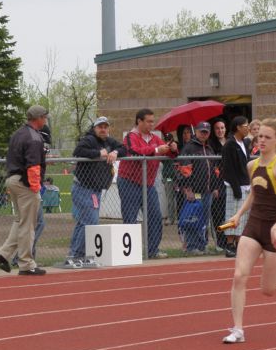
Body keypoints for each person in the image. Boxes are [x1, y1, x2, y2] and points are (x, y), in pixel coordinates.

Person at [221, 117, 276, 344]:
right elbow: (254, 194)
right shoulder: (252, 165)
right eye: (259, 136)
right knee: (239, 276)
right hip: (253, 226)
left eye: (267, 137)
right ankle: (238, 329)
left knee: (268, 289)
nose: (262, 140)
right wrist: (238, 215)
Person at [0, 105, 48, 275]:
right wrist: (36, 188)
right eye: (44, 117)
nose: (45, 120)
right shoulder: (34, 137)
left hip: (12, 179)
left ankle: (3, 254)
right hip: (25, 183)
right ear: (37, 118)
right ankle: (26, 263)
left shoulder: (19, 133)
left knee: (20, 221)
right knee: (28, 225)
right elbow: (32, 165)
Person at [64, 116, 126, 267]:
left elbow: (125, 148)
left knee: (83, 222)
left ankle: (74, 254)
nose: (103, 129)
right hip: (83, 188)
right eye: (100, 127)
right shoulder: (89, 139)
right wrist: (99, 154)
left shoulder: (109, 141)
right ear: (94, 128)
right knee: (90, 222)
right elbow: (78, 151)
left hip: (96, 190)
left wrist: (115, 152)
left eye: (105, 126)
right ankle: (77, 255)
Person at [117, 108, 178, 259]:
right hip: (129, 181)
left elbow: (169, 154)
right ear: (139, 121)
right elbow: (135, 151)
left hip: (148, 184)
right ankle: (129, 253)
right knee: (130, 218)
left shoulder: (155, 138)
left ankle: (152, 250)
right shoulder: (131, 136)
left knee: (155, 217)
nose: (152, 124)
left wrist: (173, 149)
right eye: (149, 121)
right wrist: (157, 149)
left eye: (153, 121)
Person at [178, 121, 219, 255]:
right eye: (202, 131)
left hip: (207, 191)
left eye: (206, 132)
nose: (204, 134)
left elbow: (214, 169)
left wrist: (215, 187)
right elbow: (184, 169)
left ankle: (202, 245)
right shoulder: (189, 148)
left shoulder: (209, 148)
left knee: (204, 220)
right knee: (193, 218)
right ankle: (191, 246)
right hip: (194, 191)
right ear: (196, 131)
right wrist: (187, 189)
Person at [221, 116, 251, 258]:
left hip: (245, 185)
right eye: (246, 125)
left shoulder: (244, 142)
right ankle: (229, 244)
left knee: (243, 217)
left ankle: (239, 244)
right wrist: (236, 188)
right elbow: (229, 169)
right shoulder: (230, 145)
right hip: (234, 186)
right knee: (231, 215)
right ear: (238, 127)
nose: (248, 128)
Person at [209, 119, 229, 251]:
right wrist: (214, 187)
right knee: (218, 215)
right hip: (218, 183)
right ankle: (220, 242)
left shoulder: (230, 142)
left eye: (222, 128)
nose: (220, 130)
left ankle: (229, 240)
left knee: (229, 214)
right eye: (217, 128)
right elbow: (211, 167)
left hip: (230, 182)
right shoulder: (211, 145)